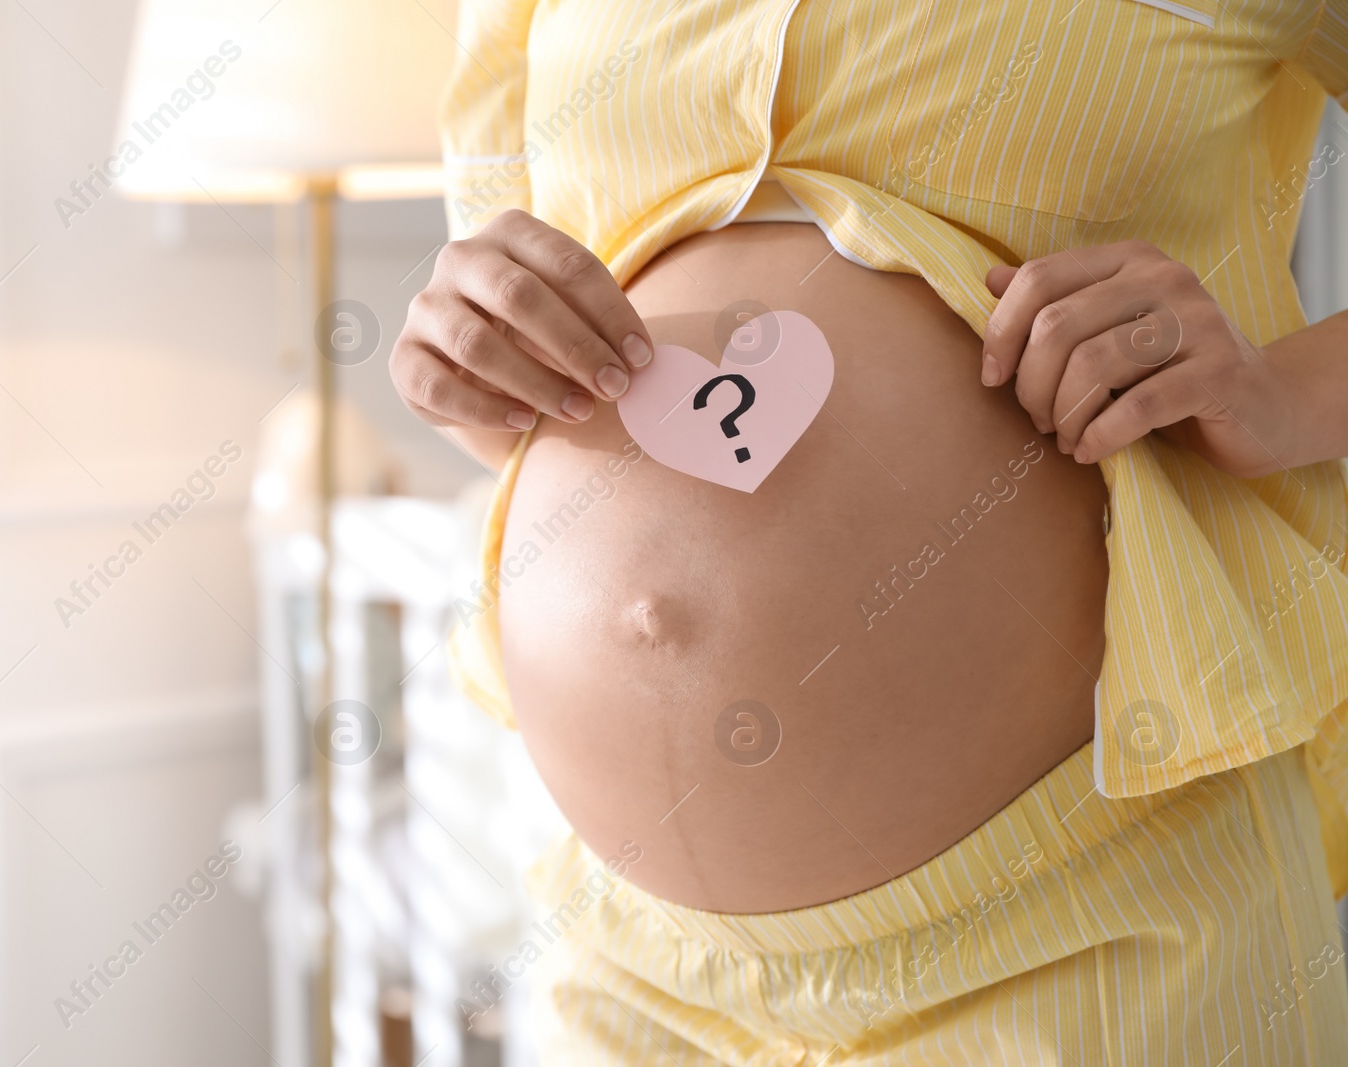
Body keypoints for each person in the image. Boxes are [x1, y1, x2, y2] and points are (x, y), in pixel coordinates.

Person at [391, 2, 1348, 1062]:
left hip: (1087, 918)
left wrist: (1285, 394)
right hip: (632, 953)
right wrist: (461, 361)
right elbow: (512, 384)